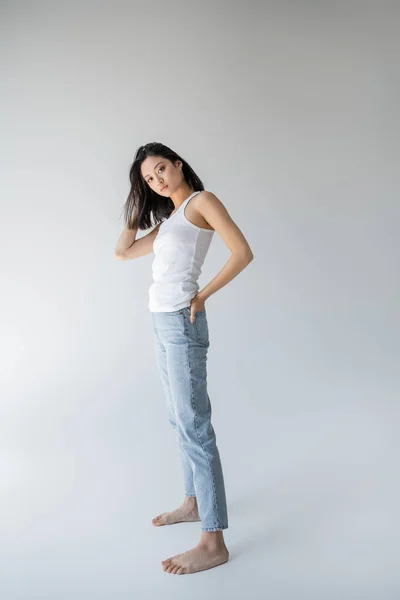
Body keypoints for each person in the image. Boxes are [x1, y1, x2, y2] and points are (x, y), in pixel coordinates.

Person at [114, 142, 254, 574]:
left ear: (178, 164)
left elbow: (242, 252)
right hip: (161, 322)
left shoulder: (201, 202)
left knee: (195, 424)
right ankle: (194, 502)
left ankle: (214, 541)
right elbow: (122, 251)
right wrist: (138, 203)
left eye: (161, 170)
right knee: (180, 419)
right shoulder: (170, 219)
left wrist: (203, 295)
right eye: (148, 179)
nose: (157, 180)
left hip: (182, 319)